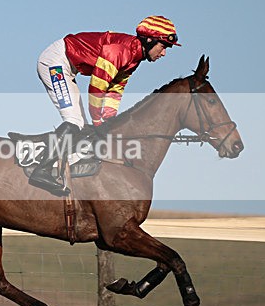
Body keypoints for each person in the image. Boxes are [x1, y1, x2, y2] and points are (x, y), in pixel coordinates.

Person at [29, 15, 181, 194]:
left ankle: (60, 165)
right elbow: (97, 88)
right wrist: (98, 122)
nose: (163, 53)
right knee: (75, 121)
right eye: (163, 47)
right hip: (55, 62)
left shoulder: (134, 59)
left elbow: (115, 90)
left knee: (80, 125)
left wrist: (109, 121)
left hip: (69, 68)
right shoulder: (119, 51)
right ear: (149, 40)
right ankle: (42, 170)